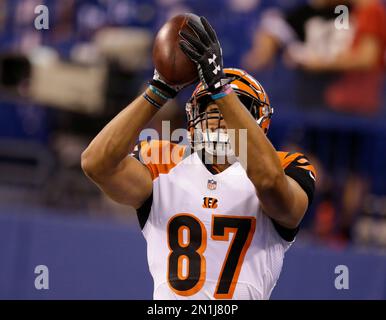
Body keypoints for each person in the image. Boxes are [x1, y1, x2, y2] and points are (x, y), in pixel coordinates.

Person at [81, 16, 316, 300]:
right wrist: (158, 90)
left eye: (232, 108)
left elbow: (268, 182)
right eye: (209, 108)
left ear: (259, 121)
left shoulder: (288, 167)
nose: (217, 117)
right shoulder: (164, 162)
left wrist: (220, 89)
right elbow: (96, 164)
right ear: (192, 118)